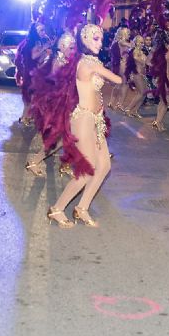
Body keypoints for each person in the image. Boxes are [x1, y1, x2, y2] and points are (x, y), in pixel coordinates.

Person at [47, 24, 124, 228]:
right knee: (87, 170)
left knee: (104, 166)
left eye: (101, 38)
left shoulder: (93, 62)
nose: (100, 42)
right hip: (83, 119)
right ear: (85, 41)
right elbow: (117, 79)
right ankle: (57, 209)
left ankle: (82, 208)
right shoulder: (87, 63)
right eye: (96, 38)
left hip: (96, 120)